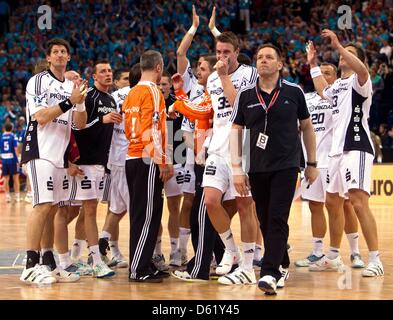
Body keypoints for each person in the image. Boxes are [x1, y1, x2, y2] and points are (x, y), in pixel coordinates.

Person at [230, 44, 318, 294]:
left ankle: (269, 273)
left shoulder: (294, 91)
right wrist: (237, 168)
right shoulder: (245, 95)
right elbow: (236, 131)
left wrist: (312, 163)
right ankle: (282, 260)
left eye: (269, 57)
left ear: (280, 64)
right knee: (266, 220)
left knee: (278, 216)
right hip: (257, 167)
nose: (263, 61)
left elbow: (307, 128)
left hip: (287, 165)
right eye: (259, 57)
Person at [307, 30, 384, 277]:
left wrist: (339, 46)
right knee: (332, 202)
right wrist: (312, 65)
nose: (343, 57)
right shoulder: (338, 85)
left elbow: (362, 70)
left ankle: (375, 259)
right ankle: (332, 256)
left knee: (359, 202)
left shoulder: (360, 82)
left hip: (357, 147)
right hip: (336, 152)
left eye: (350, 55)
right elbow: (321, 90)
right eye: (342, 54)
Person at [19, 38, 87, 284]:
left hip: (59, 155)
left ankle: (49, 262)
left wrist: (79, 102)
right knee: (42, 206)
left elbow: (78, 125)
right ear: (48, 58)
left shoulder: (72, 86)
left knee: (54, 209)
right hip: (39, 150)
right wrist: (70, 100)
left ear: (69, 57)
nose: (59, 55)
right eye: (55, 52)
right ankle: (29, 264)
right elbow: (41, 117)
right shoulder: (38, 81)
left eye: (63, 52)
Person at [202, 31, 259, 285]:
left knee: (246, 205)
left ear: (237, 52)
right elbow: (215, 112)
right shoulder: (211, 78)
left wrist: (225, 77)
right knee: (211, 201)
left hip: (243, 144)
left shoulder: (249, 74)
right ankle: (231, 250)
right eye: (218, 52)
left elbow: (241, 108)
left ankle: (247, 264)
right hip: (218, 145)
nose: (222, 57)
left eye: (226, 52)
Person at [295, 63, 365, 269]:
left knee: (344, 205)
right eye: (321, 73)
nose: (324, 76)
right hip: (312, 163)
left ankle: (355, 252)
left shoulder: (340, 98)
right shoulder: (306, 99)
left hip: (334, 160)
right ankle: (317, 252)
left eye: (328, 73)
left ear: (336, 78)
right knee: (315, 206)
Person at [123, 50, 173, 282]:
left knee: (142, 214)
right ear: (159, 67)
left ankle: (141, 264)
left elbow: (128, 128)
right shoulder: (152, 91)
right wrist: (162, 160)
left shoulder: (131, 92)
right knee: (147, 215)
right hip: (147, 159)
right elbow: (150, 129)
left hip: (132, 157)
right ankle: (139, 269)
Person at [71, 60, 122, 278]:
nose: (108, 74)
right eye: (103, 72)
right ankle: (95, 260)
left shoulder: (111, 99)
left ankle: (74, 257)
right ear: (94, 77)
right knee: (88, 210)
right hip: (85, 162)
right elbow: (76, 127)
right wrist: (101, 119)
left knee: (85, 211)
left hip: (101, 162)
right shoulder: (88, 97)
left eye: (110, 71)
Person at [97, 63, 142, 269]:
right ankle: (140, 257)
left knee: (116, 208)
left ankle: (102, 243)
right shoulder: (142, 92)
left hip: (114, 160)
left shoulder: (111, 98)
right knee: (137, 208)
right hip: (129, 158)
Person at [0, 123, 20, 202]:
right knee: (16, 178)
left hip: (4, 160)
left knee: (6, 179)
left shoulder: (1, 137)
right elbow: (15, 149)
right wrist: (18, 159)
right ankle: (17, 197)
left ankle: (7, 197)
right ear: (11, 128)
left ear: (4, 128)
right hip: (12, 159)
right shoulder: (13, 136)